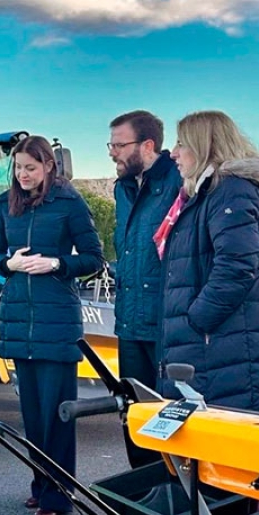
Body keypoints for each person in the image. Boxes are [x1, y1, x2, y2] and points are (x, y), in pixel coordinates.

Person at [0, 136, 104, 515]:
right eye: (18, 168)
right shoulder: (6, 204)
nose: (22, 175)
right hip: (20, 321)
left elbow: (92, 258)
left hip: (57, 322)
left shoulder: (70, 203)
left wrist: (57, 264)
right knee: (34, 415)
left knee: (57, 414)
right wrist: (9, 265)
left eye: (30, 168)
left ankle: (59, 494)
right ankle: (40, 486)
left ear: (49, 166)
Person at [159, 110, 259, 414]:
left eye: (181, 143)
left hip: (234, 342)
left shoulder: (229, 191)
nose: (173, 153)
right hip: (224, 341)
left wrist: (197, 319)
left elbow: (237, 267)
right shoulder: (207, 193)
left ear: (204, 145)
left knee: (239, 439)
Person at [108, 110, 184, 469]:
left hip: (167, 326)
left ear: (148, 145)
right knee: (135, 416)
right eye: (110, 144)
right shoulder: (121, 189)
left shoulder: (178, 182)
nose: (111, 152)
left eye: (119, 144)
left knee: (172, 422)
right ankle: (141, 505)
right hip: (130, 325)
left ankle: (176, 505)